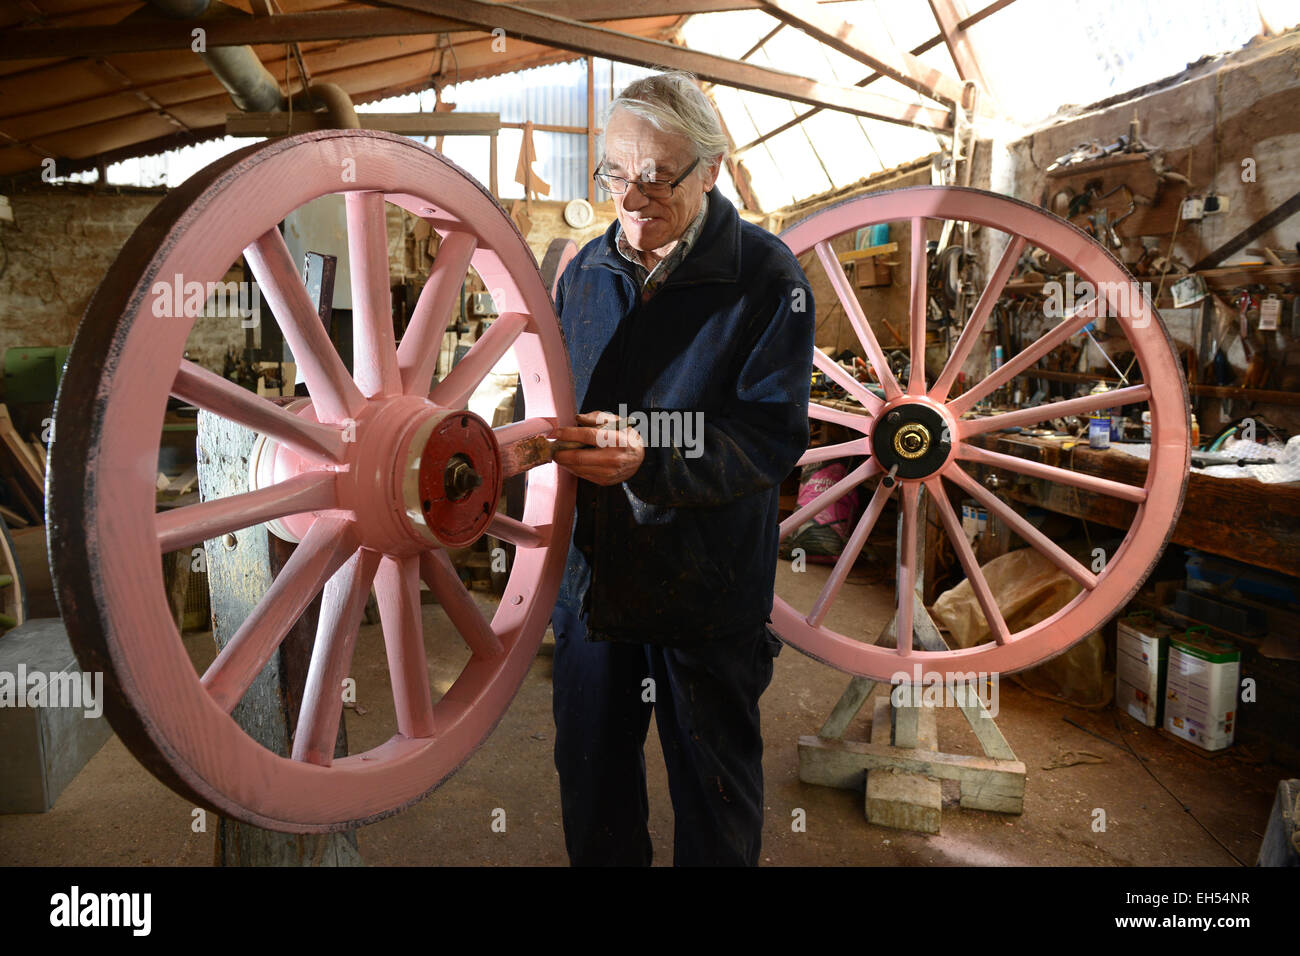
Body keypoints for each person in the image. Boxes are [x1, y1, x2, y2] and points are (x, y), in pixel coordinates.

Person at [547, 70, 814, 866]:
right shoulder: (586, 274)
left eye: (658, 177)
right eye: (616, 175)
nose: (632, 200)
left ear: (713, 169)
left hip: (705, 587)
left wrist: (647, 454)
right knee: (593, 790)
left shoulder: (765, 278)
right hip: (595, 585)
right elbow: (557, 398)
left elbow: (768, 435)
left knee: (714, 799)